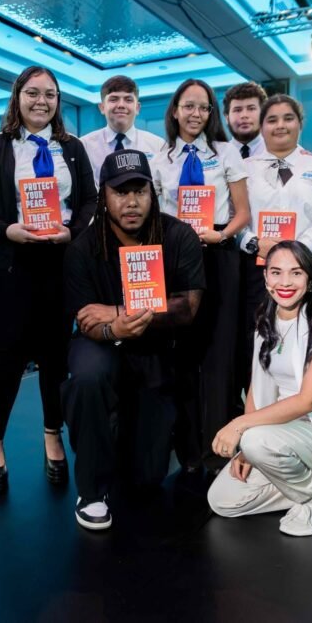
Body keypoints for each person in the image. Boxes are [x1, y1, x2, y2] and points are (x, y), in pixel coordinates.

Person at [62, 150, 205, 530]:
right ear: (103, 196)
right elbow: (87, 319)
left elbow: (187, 308)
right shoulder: (82, 247)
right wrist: (113, 328)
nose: (130, 202)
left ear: (152, 193)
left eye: (139, 191)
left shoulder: (178, 235)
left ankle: (129, 436)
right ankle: (91, 490)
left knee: (144, 479)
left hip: (155, 349)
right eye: (120, 192)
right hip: (101, 344)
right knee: (88, 377)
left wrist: (118, 312)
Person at [0, 65, 97, 492]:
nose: (41, 101)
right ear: (17, 96)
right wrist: (7, 230)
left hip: (61, 263)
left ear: (59, 101)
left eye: (50, 94)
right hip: (13, 264)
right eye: (33, 92)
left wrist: (73, 232)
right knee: (8, 355)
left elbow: (91, 203)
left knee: (55, 357)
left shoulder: (73, 149)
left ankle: (51, 434)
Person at [207, 240, 312, 536]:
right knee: (222, 501)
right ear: (266, 277)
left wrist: (240, 427)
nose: (285, 282)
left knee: (257, 441)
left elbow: (307, 401)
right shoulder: (265, 322)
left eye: (296, 273)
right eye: (276, 272)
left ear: (310, 279)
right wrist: (245, 447)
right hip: (278, 435)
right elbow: (258, 386)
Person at [152, 78, 250, 472]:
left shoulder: (225, 153)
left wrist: (222, 233)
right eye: (188, 106)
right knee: (184, 353)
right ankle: (189, 449)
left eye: (204, 107)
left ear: (211, 114)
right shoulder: (160, 159)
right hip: (178, 262)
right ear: (174, 110)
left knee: (220, 354)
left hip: (220, 256)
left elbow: (243, 212)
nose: (195, 114)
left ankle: (219, 447)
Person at [236, 95, 312, 401]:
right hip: (258, 270)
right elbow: (233, 217)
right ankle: (258, 418)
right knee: (258, 344)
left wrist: (297, 250)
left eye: (288, 118)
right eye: (271, 120)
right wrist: (254, 242)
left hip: (310, 269)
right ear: (261, 127)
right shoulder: (242, 170)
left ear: (300, 123)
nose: (280, 125)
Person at [80, 75, 164, 185]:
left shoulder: (158, 146)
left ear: (137, 108)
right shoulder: (84, 146)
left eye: (128, 100)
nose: (121, 105)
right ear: (102, 107)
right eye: (113, 99)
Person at [223, 81, 268, 158]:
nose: (244, 115)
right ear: (227, 118)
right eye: (237, 110)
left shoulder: (279, 154)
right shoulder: (217, 156)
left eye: (251, 109)